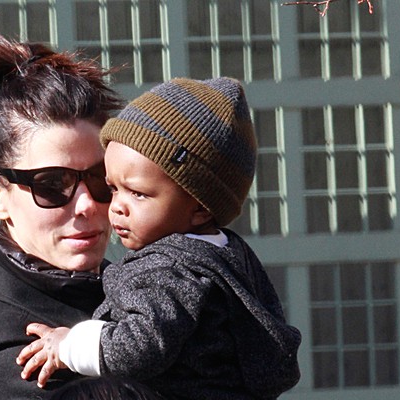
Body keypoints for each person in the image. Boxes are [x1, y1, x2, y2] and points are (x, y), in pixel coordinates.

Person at [17, 77, 302, 399]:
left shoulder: (167, 269)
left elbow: (139, 348)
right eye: (112, 188)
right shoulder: (228, 253)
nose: (117, 207)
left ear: (200, 208)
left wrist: (68, 346)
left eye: (138, 194)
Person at [0, 30, 131, 399]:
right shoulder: (10, 358)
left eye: (100, 179)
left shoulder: (145, 292)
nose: (86, 204)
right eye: (52, 184)